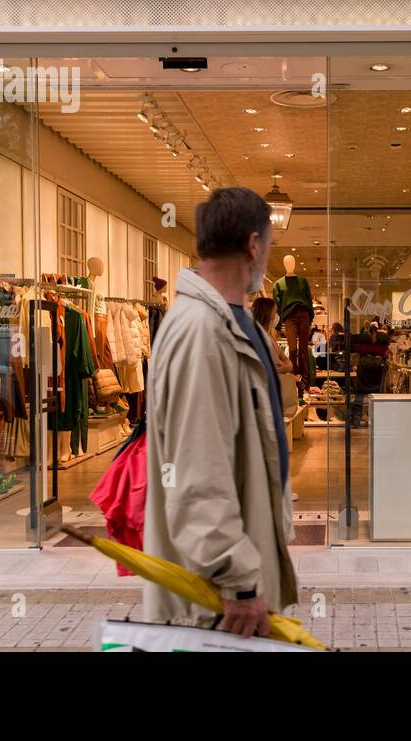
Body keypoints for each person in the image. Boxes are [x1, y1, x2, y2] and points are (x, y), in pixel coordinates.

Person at [143, 187, 296, 636]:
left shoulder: (233, 323)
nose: (267, 256)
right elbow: (197, 470)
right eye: (268, 245)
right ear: (253, 245)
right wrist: (239, 580)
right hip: (214, 600)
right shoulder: (202, 332)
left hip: (230, 586)